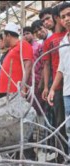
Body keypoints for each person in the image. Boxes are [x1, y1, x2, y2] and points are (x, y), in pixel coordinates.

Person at [42, 5, 68, 162]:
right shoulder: (49, 41)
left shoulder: (67, 34)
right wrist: (47, 87)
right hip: (58, 85)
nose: (46, 22)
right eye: (43, 20)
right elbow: (47, 65)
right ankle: (61, 155)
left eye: (48, 18)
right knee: (59, 121)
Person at [48, 2, 70, 154]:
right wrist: (52, 89)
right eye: (63, 17)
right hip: (67, 92)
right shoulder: (63, 43)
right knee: (69, 128)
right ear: (60, 21)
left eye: (69, 14)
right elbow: (60, 69)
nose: (67, 19)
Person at [0, 22, 33, 98]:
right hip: (6, 91)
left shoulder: (23, 44)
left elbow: (28, 65)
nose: (3, 40)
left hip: (14, 91)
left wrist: (23, 88)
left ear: (8, 35)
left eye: (3, 36)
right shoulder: (12, 49)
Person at [23, 26, 45, 115]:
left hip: (38, 80)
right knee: (30, 106)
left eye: (28, 33)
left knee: (40, 107)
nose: (25, 36)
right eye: (24, 35)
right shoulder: (24, 49)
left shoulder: (39, 46)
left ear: (33, 34)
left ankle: (41, 127)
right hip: (28, 83)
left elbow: (44, 64)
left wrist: (41, 82)